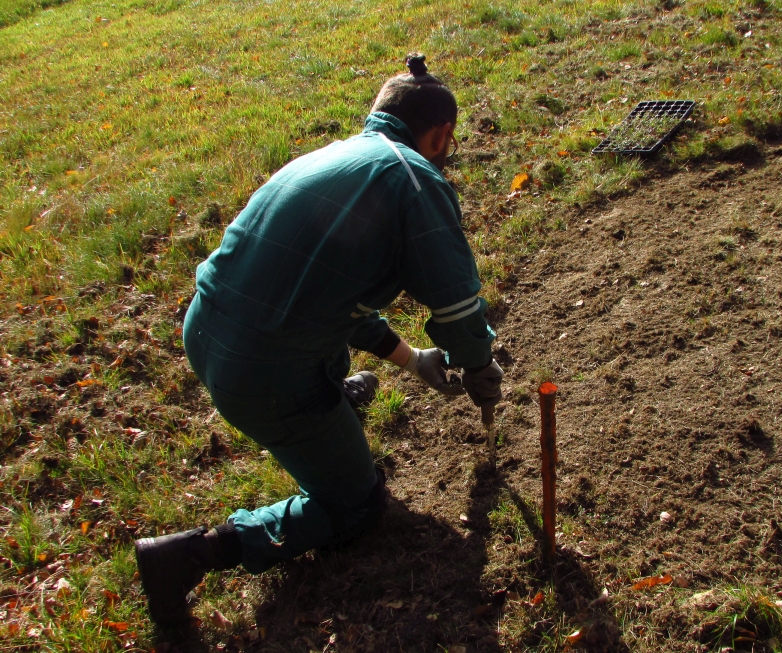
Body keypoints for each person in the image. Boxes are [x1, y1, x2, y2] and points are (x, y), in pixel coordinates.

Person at [135, 54, 505, 625]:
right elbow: (457, 306)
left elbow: (335, 300)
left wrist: (413, 360)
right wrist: (477, 367)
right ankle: (200, 552)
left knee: (313, 324)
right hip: (263, 372)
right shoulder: (415, 179)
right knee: (358, 505)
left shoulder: (336, 158)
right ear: (441, 134)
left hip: (206, 328)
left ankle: (328, 397)